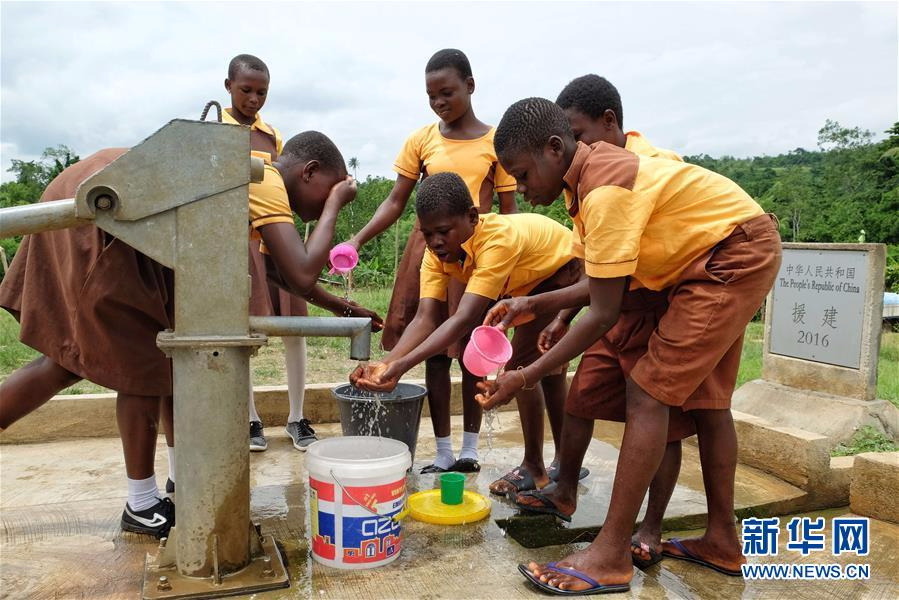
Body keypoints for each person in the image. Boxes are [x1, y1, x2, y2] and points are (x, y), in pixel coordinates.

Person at [0, 130, 374, 539]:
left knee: (162, 364)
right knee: (135, 368)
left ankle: (184, 477)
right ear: (309, 171)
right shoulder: (264, 182)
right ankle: (141, 504)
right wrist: (337, 205)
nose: (320, 210)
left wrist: (344, 308)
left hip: (125, 212)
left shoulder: (254, 181)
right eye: (326, 192)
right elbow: (302, 273)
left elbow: (279, 273)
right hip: (109, 208)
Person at [479, 97, 780, 593]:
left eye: (523, 174)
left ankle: (611, 553)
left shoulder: (604, 189)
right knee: (704, 402)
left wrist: (525, 375)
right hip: (712, 256)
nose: (522, 189)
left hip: (731, 255)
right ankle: (723, 542)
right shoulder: (585, 186)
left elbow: (603, 311)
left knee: (649, 392)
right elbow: (600, 282)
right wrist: (526, 305)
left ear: (555, 149)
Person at [514, 74, 694, 568]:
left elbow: (608, 297)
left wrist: (527, 372)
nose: (576, 147)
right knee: (583, 395)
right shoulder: (582, 184)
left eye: (578, 135)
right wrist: (551, 310)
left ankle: (643, 529)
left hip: (660, 301)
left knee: (658, 409)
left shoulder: (635, 170)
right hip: (618, 298)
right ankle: (565, 488)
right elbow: (594, 267)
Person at [350, 172, 582, 495]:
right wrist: (387, 363)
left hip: (563, 269)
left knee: (522, 368)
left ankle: (538, 466)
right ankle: (564, 463)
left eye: (443, 232)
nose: (435, 242)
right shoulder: (435, 255)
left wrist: (401, 368)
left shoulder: (496, 240)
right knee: (547, 371)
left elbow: (463, 319)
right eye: (427, 234)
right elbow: (426, 317)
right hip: (527, 283)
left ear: (472, 217)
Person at [345, 49, 517, 473]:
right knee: (432, 353)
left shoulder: (496, 143)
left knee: (472, 349)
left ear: (470, 86)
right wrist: (359, 237)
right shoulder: (422, 140)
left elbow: (510, 212)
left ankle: (470, 449)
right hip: (429, 253)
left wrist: (509, 269)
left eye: (447, 92)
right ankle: (442, 451)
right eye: (431, 94)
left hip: (478, 255)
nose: (439, 101)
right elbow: (395, 201)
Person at [220, 52, 314, 453]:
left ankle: (297, 416)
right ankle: (250, 420)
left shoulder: (270, 136)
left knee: (294, 329)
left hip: (272, 243)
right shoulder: (212, 128)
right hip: (234, 246)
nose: (254, 99)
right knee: (242, 334)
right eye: (246, 90)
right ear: (228, 87)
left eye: (262, 92)